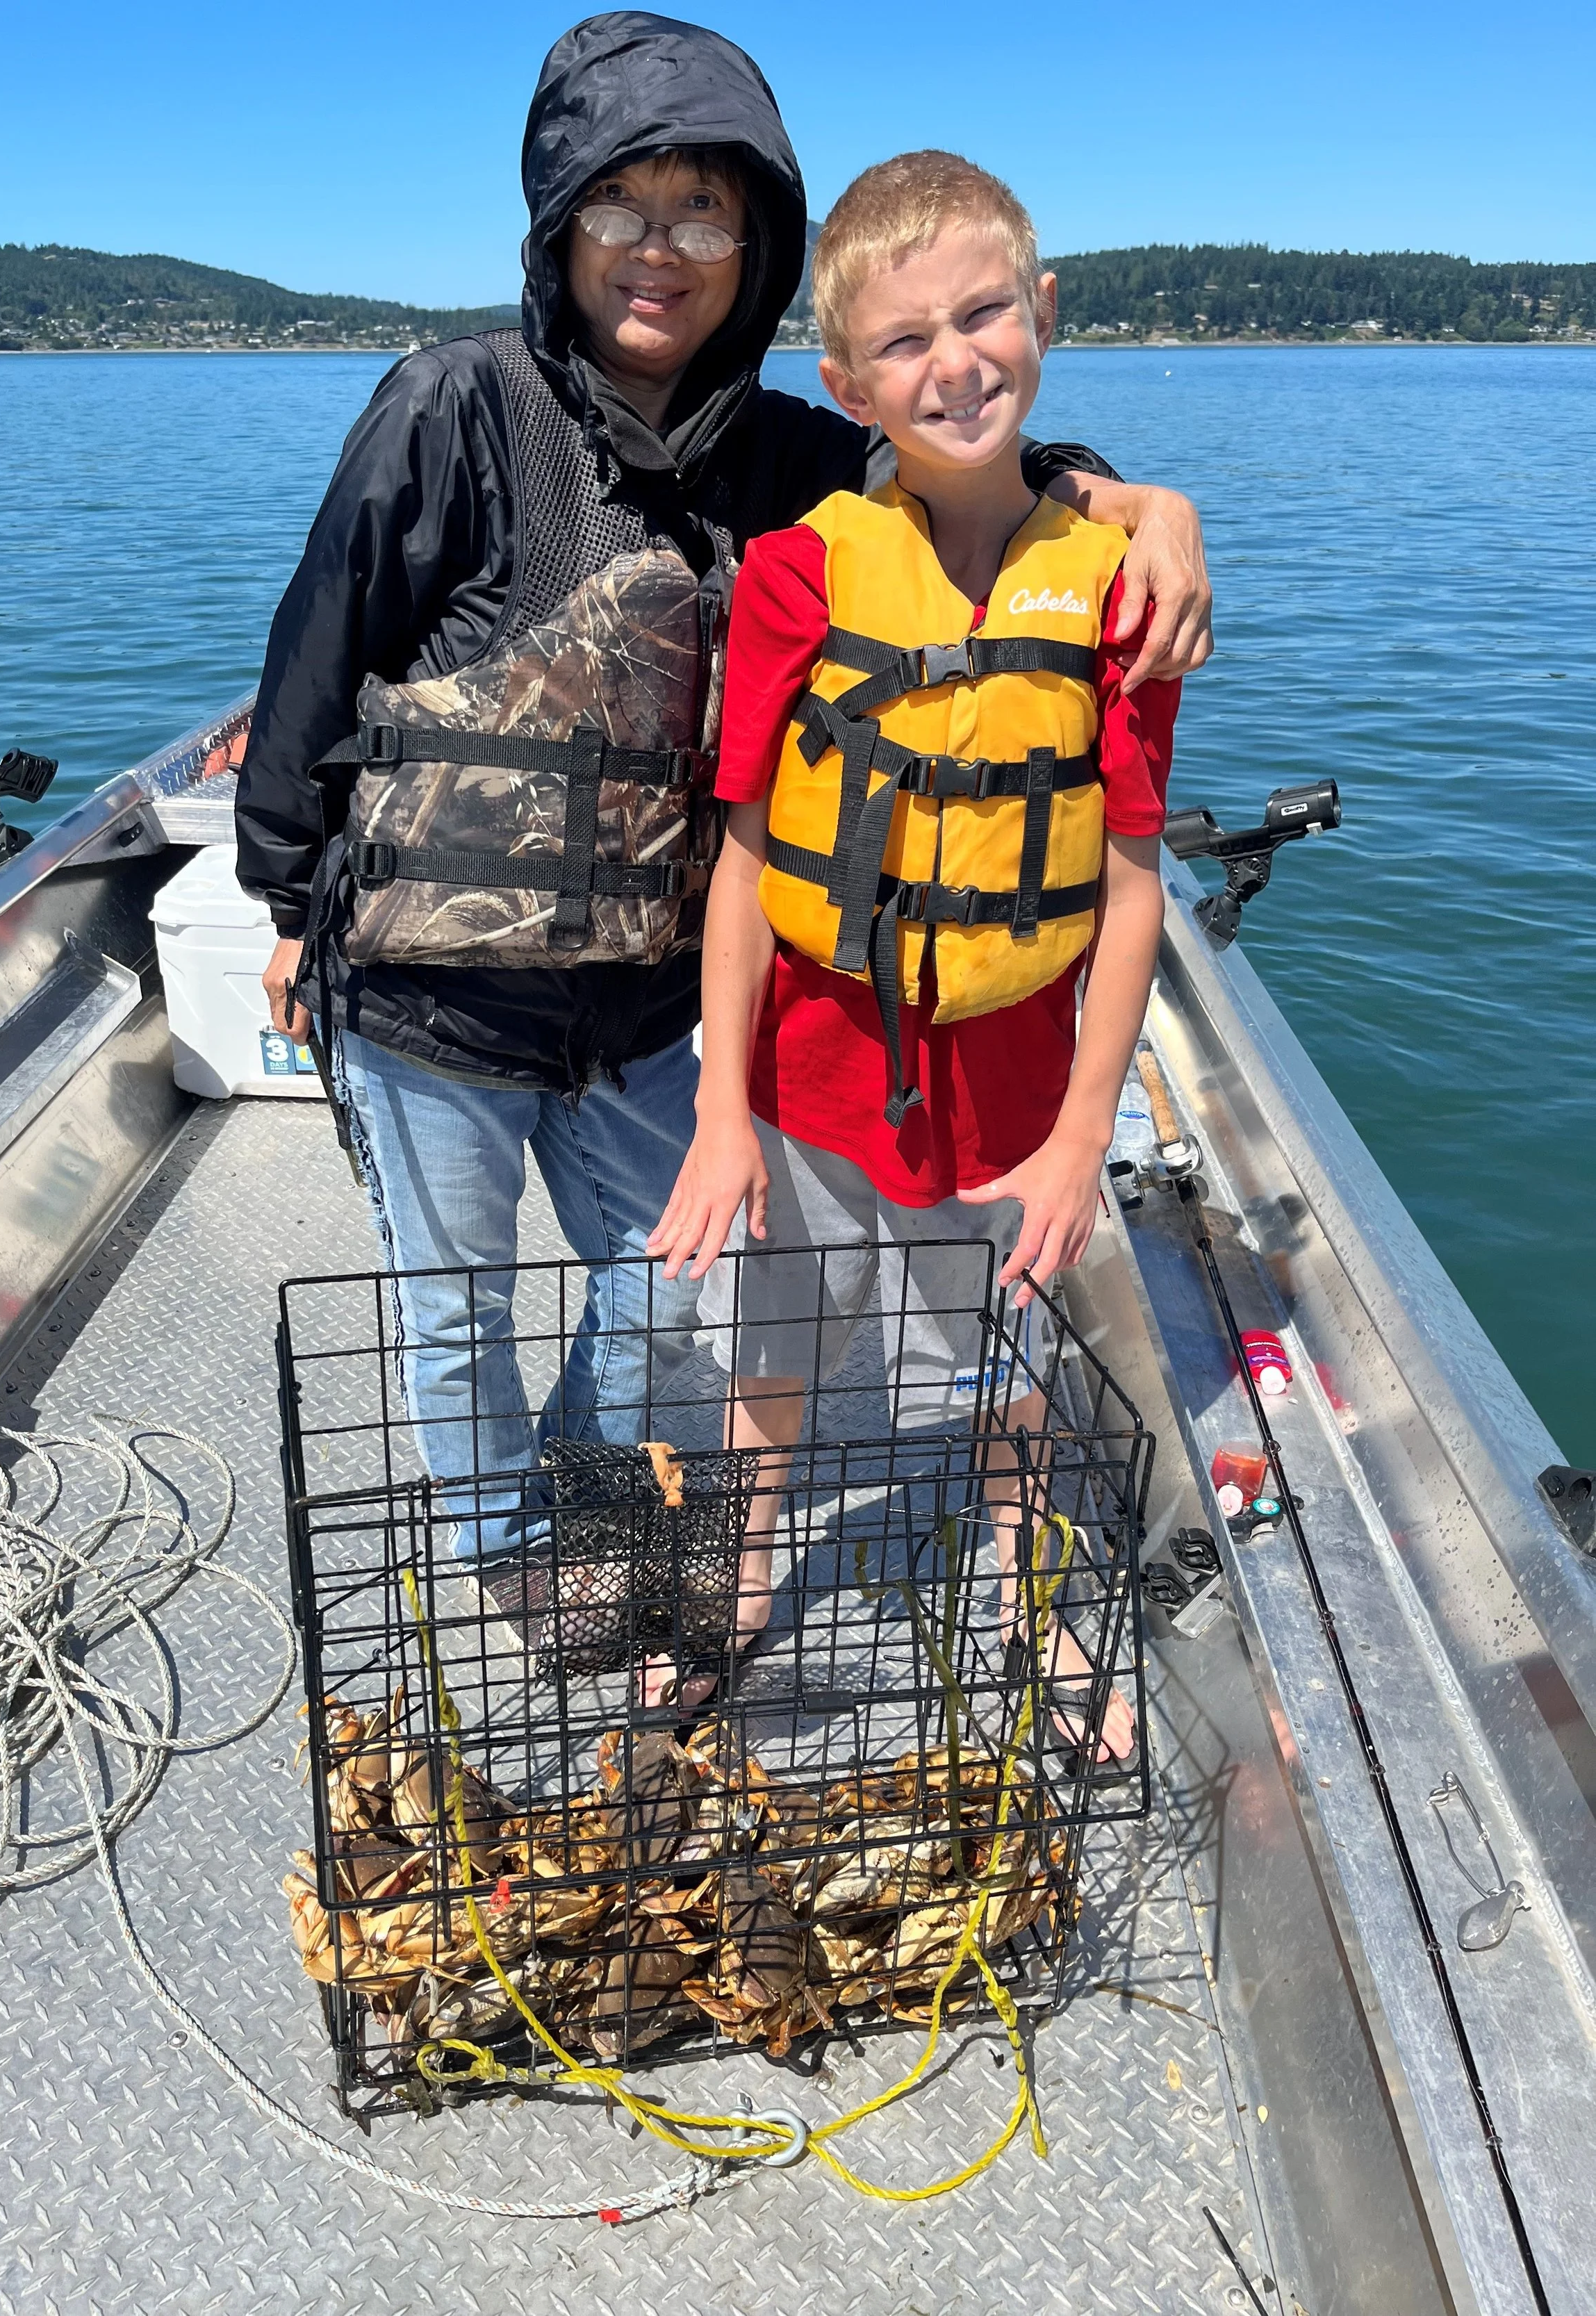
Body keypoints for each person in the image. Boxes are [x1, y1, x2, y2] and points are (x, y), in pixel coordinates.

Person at [234, 15, 1212, 1596]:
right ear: (559, 223)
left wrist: (1148, 505)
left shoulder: (790, 454)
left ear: (749, 246)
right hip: (430, 996)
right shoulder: (449, 405)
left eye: (704, 214)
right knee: (451, 1300)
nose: (659, 251)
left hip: (636, 1007)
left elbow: (970, 454)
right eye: (622, 207)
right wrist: (284, 904)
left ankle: (587, 1490)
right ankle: (505, 1554)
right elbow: (314, 657)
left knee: (650, 1291)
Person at [648, 151, 1180, 1741]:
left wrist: (1089, 1128)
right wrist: (720, 1107)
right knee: (771, 1352)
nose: (952, 363)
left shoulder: (1122, 591)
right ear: (844, 383)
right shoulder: (800, 573)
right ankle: (737, 1587)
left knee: (1000, 1356)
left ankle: (1025, 1593)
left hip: (1013, 1081)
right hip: (802, 1062)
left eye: (982, 316)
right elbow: (744, 855)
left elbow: (1133, 881)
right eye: (902, 343)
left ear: (1042, 313)